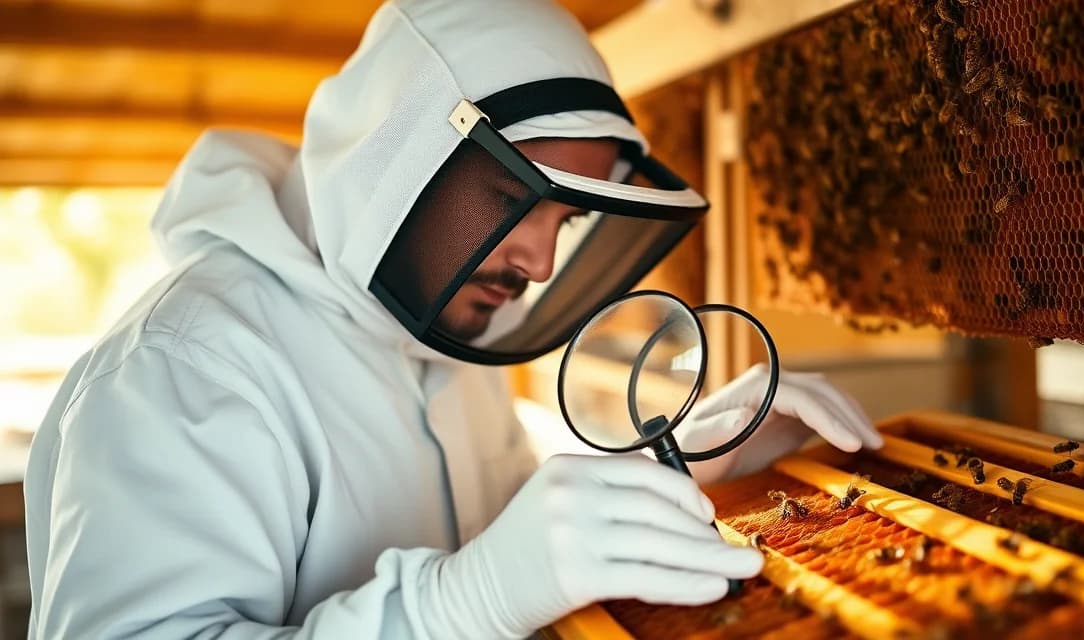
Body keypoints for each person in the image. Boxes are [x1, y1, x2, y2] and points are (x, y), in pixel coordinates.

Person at [24, 1, 883, 638]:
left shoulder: (450, 336)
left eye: (568, 220)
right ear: (395, 158)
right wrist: (457, 607)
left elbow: (503, 539)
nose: (539, 262)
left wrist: (680, 474)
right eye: (515, 197)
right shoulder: (182, 368)